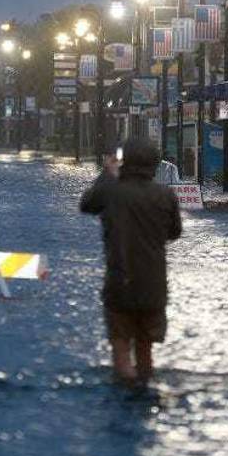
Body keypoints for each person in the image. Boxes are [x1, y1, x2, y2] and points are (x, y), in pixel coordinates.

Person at [80, 139, 183, 385]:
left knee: (121, 347)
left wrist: (107, 174)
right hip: (154, 285)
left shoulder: (112, 191)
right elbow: (174, 232)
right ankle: (144, 390)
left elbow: (87, 205)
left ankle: (125, 388)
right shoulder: (165, 195)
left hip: (120, 280)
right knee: (146, 350)